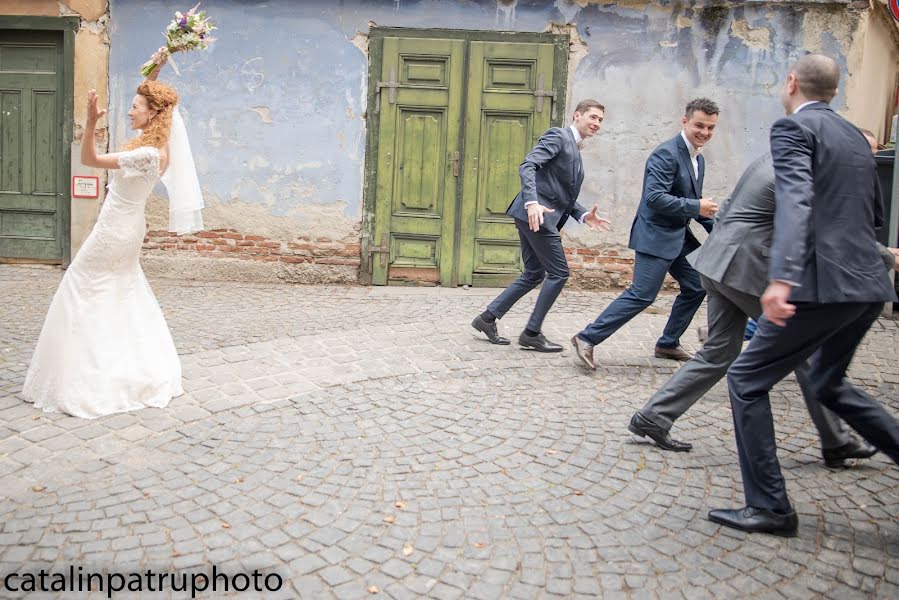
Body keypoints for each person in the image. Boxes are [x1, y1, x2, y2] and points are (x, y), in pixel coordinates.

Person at [709, 54, 899, 537]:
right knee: (829, 384)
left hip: (821, 285)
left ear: (792, 82)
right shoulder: (857, 138)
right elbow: (871, 211)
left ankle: (771, 508)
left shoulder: (792, 130)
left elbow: (797, 198)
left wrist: (783, 276)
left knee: (747, 378)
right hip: (867, 286)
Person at [628, 151, 894, 468]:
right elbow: (823, 230)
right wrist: (885, 256)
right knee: (804, 352)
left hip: (718, 263)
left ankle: (653, 416)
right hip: (743, 271)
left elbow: (729, 208)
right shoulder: (800, 173)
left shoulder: (771, 160)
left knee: (719, 352)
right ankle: (837, 441)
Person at [22, 61, 204, 419]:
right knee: (119, 287)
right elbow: (153, 101)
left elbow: (89, 158)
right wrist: (156, 70)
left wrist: (90, 121)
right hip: (127, 227)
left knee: (79, 283)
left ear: (153, 115)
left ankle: (84, 374)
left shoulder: (145, 155)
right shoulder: (158, 145)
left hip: (114, 230)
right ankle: (129, 361)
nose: (130, 111)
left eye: (136, 108)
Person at [572, 99, 719, 367]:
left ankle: (667, 344)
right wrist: (697, 205)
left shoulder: (698, 159)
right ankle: (586, 338)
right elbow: (654, 198)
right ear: (684, 122)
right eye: (699, 125)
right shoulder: (666, 154)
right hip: (655, 235)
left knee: (697, 286)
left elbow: (694, 206)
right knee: (642, 295)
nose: (705, 132)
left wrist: (719, 230)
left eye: (710, 128)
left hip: (678, 236)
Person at [471, 100, 611, 352]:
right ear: (577, 115)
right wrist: (532, 202)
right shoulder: (559, 136)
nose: (597, 123)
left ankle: (487, 319)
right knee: (559, 273)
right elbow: (528, 165)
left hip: (535, 215)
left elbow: (559, 192)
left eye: (600, 120)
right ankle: (532, 333)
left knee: (534, 273)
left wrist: (582, 215)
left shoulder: (575, 149)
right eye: (593, 117)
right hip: (537, 215)